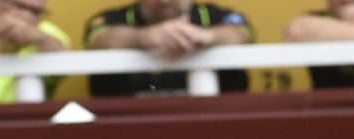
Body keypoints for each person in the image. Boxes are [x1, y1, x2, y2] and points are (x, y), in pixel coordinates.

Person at [84, 1, 253, 97]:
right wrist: (143, 37)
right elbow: (100, 39)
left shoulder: (215, 16)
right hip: (128, 133)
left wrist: (204, 36)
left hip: (212, 131)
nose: (164, 1)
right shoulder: (113, 18)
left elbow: (242, 35)